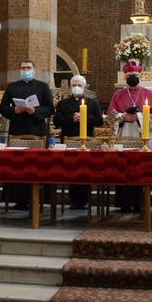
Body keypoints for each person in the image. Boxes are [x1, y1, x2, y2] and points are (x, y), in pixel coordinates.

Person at [0, 60, 55, 210]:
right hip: (17, 130)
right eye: (23, 68)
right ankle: (19, 200)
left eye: (28, 68)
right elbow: (3, 108)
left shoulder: (42, 87)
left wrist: (36, 111)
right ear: (19, 70)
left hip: (36, 130)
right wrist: (13, 111)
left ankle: (37, 199)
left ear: (34, 70)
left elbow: (50, 108)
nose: (26, 70)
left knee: (35, 165)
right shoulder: (12, 87)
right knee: (17, 165)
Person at [107, 61, 152, 212]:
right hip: (123, 136)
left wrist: (138, 117)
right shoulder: (118, 95)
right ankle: (124, 203)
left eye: (135, 76)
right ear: (125, 77)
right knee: (124, 167)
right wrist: (122, 116)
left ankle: (139, 203)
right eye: (130, 76)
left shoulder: (148, 94)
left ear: (140, 76)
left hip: (140, 136)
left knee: (140, 168)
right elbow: (110, 117)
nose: (132, 78)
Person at [52, 75, 104, 210]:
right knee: (71, 170)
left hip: (87, 140)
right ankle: (74, 200)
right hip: (69, 140)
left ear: (85, 88)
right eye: (74, 85)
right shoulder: (63, 104)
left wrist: (84, 117)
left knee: (85, 170)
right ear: (69, 87)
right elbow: (56, 122)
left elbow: (99, 121)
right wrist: (72, 118)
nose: (76, 87)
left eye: (79, 85)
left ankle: (85, 200)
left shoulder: (92, 103)